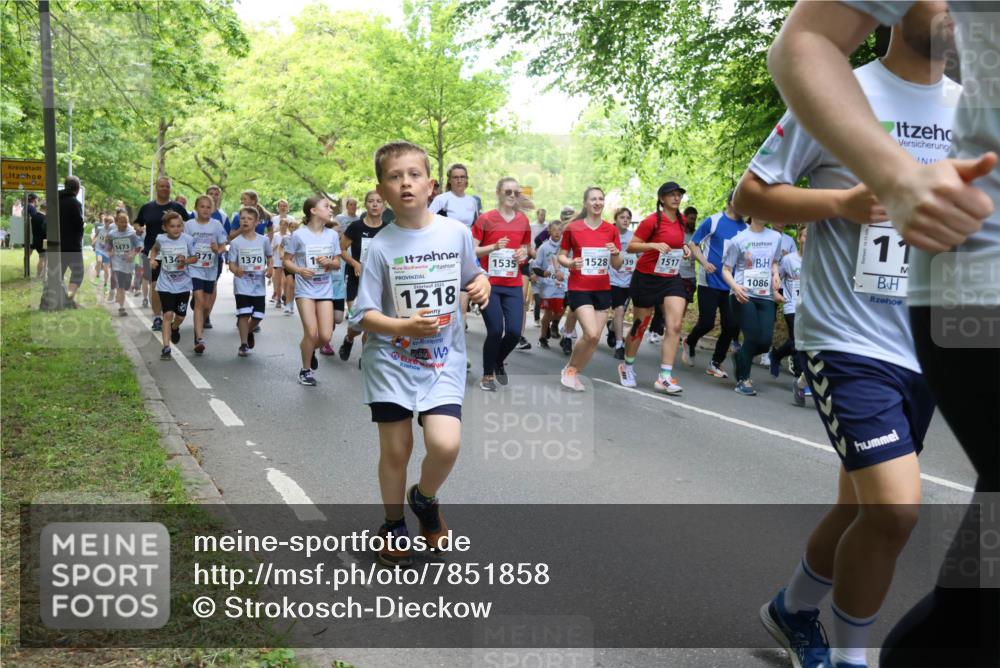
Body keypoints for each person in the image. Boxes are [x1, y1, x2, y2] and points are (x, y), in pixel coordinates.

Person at [764, 2, 998, 667]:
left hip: (934, 343)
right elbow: (750, 196)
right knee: (895, 512)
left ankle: (793, 608)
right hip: (847, 338)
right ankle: (852, 658)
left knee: (863, 514)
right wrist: (849, 199)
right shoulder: (846, 87)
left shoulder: (968, 106)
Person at [349, 141, 490, 568]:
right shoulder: (378, 246)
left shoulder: (456, 233)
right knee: (397, 451)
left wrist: (481, 282)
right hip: (391, 359)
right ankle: (393, 524)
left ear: (431, 185)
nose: (404, 182)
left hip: (442, 359)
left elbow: (472, 273)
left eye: (413, 175)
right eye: (394, 177)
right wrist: (403, 327)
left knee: (446, 444)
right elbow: (362, 315)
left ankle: (423, 498)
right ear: (382, 190)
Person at [617, 183, 692, 393]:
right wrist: (653, 245)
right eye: (672, 195)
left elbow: (677, 243)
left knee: (675, 325)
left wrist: (684, 248)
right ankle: (627, 365)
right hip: (646, 278)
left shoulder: (681, 220)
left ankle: (665, 377)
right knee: (640, 324)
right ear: (661, 199)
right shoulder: (652, 221)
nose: (676, 198)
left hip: (670, 277)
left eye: (679, 195)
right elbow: (632, 246)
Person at [556, 187, 623, 391]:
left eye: (601, 199)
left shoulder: (611, 230)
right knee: (592, 333)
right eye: (593, 199)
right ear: (585, 203)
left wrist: (615, 252)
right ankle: (570, 370)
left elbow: (618, 264)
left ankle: (572, 370)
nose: (597, 202)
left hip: (602, 288)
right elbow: (561, 255)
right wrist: (569, 264)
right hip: (579, 287)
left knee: (594, 340)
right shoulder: (573, 228)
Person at [472, 177, 533, 391]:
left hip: (513, 283)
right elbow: (472, 251)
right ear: (498, 192)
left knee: (515, 332)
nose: (512, 196)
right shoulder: (486, 219)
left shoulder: (523, 221)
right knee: (496, 330)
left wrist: (522, 254)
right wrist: (493, 247)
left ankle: (497, 361)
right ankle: (487, 375)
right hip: (489, 283)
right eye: (508, 192)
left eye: (516, 193)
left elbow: (527, 250)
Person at [682, 193, 747, 378]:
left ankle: (715, 363)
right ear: (731, 202)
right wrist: (703, 262)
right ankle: (690, 341)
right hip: (709, 281)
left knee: (732, 326)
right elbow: (693, 244)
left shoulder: (746, 228)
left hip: (732, 285)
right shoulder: (714, 221)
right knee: (707, 322)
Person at [720, 216, 784, 396]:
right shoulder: (738, 239)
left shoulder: (775, 237)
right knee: (753, 337)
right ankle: (743, 380)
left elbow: (774, 261)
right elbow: (725, 269)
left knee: (765, 343)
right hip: (743, 294)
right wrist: (735, 287)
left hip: (766, 295)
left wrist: (776, 274)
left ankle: (740, 357)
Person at [282, 195, 340, 386]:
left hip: (325, 289)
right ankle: (305, 370)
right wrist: (299, 270)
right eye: (326, 206)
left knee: (325, 336)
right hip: (305, 290)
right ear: (313, 211)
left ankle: (308, 348)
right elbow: (286, 260)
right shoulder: (299, 235)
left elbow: (337, 263)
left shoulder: (332, 235)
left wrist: (329, 262)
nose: (330, 209)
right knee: (312, 332)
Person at [338, 190, 387, 361]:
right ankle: (349, 338)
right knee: (357, 322)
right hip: (356, 280)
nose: (375, 204)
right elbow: (341, 249)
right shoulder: (356, 227)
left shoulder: (388, 228)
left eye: (378, 201)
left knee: (370, 323)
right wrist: (355, 263)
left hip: (377, 282)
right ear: (365, 204)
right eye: (371, 201)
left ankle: (365, 358)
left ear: (384, 205)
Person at [135, 176, 188, 331]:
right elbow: (138, 221)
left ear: (170, 189)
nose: (164, 189)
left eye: (167, 186)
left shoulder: (177, 207)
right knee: (155, 285)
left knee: (175, 287)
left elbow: (189, 224)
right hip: (153, 253)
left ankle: (171, 314)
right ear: (156, 188)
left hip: (175, 254)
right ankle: (158, 317)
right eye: (161, 186)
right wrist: (138, 227)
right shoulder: (147, 207)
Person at [148, 211, 197, 360]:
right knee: (168, 314)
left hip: (183, 285)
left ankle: (175, 328)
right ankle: (166, 347)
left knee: (180, 316)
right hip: (166, 284)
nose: (176, 229)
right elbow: (154, 249)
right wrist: (152, 260)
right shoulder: (161, 239)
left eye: (179, 226)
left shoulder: (188, 240)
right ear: (165, 228)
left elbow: (195, 257)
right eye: (172, 226)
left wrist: (186, 261)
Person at [184, 194, 228, 355]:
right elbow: (183, 243)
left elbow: (224, 246)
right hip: (194, 268)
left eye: (208, 207)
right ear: (196, 208)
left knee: (206, 306)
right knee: (200, 302)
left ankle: (199, 328)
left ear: (213, 209)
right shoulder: (189, 225)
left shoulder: (216, 225)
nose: (205, 209)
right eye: (202, 206)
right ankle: (199, 338)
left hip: (210, 268)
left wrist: (218, 250)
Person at [228, 207, 274, 357]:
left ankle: (247, 331)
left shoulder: (264, 240)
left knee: (258, 316)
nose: (245, 221)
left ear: (256, 222)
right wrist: (236, 271)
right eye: (242, 218)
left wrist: (270, 268)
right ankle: (243, 344)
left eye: (249, 218)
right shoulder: (236, 242)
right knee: (243, 314)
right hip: (242, 284)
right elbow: (232, 263)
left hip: (258, 285)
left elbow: (269, 257)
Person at [770, 226, 805, 385]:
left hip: (808, 307)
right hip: (791, 305)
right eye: (805, 236)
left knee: (799, 340)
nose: (808, 240)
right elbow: (777, 277)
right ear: (799, 238)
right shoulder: (789, 259)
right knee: (797, 339)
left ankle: (777, 355)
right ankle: (799, 376)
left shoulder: (816, 260)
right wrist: (776, 293)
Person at [532, 219, 567, 350]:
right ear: (549, 231)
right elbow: (536, 266)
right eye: (554, 230)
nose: (558, 233)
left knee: (561, 310)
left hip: (563, 284)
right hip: (548, 286)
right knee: (548, 312)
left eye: (560, 230)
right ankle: (542, 337)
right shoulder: (544, 247)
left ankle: (549, 325)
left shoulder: (566, 246)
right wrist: (543, 273)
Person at [608, 207, 636, 360]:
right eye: (622, 217)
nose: (625, 220)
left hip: (629, 280)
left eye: (628, 217)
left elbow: (641, 255)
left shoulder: (634, 237)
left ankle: (612, 327)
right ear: (616, 219)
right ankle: (620, 345)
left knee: (621, 312)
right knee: (619, 310)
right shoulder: (609, 235)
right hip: (612, 279)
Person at [104, 209, 142, 316]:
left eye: (126, 221)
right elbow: (108, 244)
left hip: (128, 264)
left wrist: (132, 254)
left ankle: (120, 296)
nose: (124, 224)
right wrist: (109, 251)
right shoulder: (112, 234)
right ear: (116, 222)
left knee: (126, 285)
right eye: (121, 221)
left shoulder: (132, 234)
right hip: (117, 262)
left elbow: (139, 247)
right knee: (120, 284)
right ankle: (121, 307)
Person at [57, 176, 86, 307]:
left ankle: (57, 300)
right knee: (78, 272)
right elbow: (79, 225)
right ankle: (68, 300)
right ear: (77, 189)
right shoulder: (75, 203)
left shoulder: (54, 199)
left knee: (57, 273)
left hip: (56, 244)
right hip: (72, 246)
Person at [531, 208, 548, 326]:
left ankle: (547, 320)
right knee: (537, 298)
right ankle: (537, 318)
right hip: (533, 257)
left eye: (544, 215)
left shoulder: (547, 227)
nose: (543, 217)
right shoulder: (532, 226)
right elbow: (532, 241)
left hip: (545, 260)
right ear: (537, 215)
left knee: (544, 298)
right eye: (541, 215)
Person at [27, 193, 47, 277]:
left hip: (35, 239)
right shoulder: (45, 218)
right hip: (43, 241)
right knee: (42, 259)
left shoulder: (34, 217)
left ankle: (28, 271)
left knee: (32, 256)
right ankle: (40, 275)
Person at [92, 214, 111, 294]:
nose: (109, 224)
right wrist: (93, 242)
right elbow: (97, 237)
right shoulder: (100, 229)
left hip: (107, 251)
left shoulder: (113, 231)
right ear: (105, 222)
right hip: (99, 249)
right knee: (99, 261)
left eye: (111, 223)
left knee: (106, 269)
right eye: (107, 222)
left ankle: (106, 285)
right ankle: (97, 276)